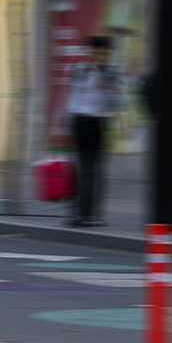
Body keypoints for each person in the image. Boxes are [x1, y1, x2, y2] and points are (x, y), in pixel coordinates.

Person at [63, 35, 124, 227]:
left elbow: (116, 105)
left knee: (96, 170)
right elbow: (70, 98)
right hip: (80, 121)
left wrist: (109, 89)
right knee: (79, 169)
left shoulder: (113, 73)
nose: (98, 55)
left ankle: (92, 214)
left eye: (103, 52)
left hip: (100, 122)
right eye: (94, 52)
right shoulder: (79, 70)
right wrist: (63, 126)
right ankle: (78, 213)